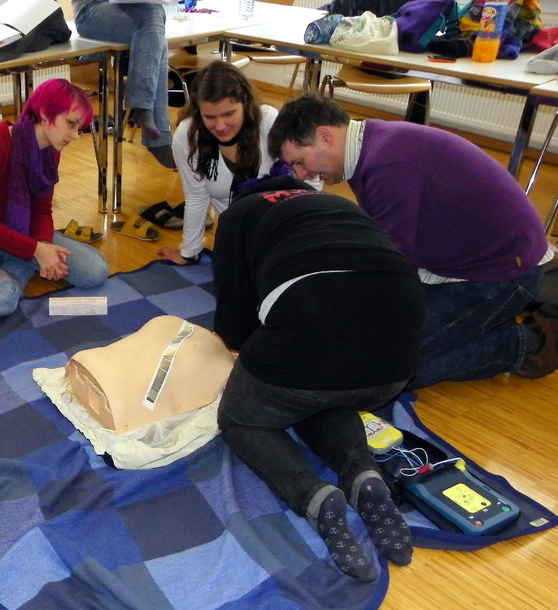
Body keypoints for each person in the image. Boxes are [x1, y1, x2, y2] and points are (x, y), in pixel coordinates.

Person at [267, 93, 558, 389]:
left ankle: (527, 342)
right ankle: (478, 324)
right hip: (458, 262)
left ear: (325, 136)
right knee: (366, 343)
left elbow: (387, 269)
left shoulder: (388, 167)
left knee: (389, 371)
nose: (302, 174)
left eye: (300, 162)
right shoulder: (370, 145)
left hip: (504, 274)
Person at [214, 175, 424, 581]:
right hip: (394, 359)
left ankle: (311, 494)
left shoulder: (239, 215)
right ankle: (362, 473)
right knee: (328, 391)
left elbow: (235, 322)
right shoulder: (339, 204)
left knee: (244, 416)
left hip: (311, 331)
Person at [0, 78, 109, 318]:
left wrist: (43, 245)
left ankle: (14, 267)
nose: (74, 135)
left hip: (23, 236)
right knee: (1, 302)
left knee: (95, 272)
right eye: (71, 124)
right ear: (45, 112)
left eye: (79, 129)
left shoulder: (51, 152)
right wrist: (36, 250)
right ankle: (15, 269)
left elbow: (42, 209)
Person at [157, 61, 279, 266]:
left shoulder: (268, 120)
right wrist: (188, 252)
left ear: (245, 103)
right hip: (238, 239)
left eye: (229, 114)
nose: (220, 126)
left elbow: (306, 179)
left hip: (281, 230)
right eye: (210, 117)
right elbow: (196, 196)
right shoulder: (188, 135)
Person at [71, 0, 175, 169]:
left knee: (155, 30)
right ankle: (154, 128)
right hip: (90, 13)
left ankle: (143, 110)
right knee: (155, 27)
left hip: (131, 11)